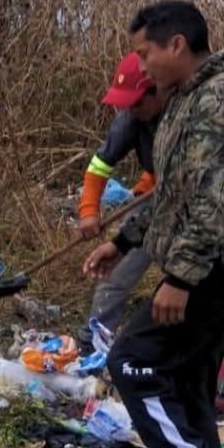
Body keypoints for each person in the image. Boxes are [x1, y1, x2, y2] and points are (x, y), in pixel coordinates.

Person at [83, 0, 224, 448]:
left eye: (145, 53)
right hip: (214, 261)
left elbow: (216, 201)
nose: (141, 66)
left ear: (176, 45)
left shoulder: (218, 100)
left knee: (133, 360)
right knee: (191, 371)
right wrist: (125, 242)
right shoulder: (190, 99)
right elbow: (175, 194)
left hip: (217, 265)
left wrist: (181, 279)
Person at [77, 53, 164, 344]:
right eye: (128, 103)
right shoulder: (131, 119)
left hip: (189, 204)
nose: (132, 109)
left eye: (138, 102)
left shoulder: (189, 116)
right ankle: (94, 341)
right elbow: (100, 165)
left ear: (160, 90)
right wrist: (89, 211)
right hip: (152, 197)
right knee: (116, 272)